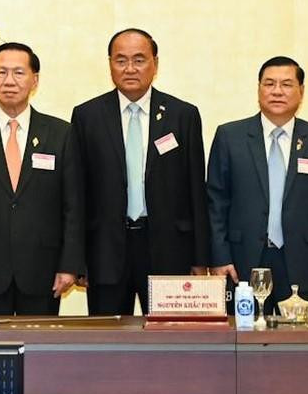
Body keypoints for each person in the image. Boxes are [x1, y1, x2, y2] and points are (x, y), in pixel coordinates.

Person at [66, 29, 209, 316]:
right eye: (121, 60)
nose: (130, 68)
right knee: (107, 345)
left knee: (169, 346)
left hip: (169, 250)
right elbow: (77, 193)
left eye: (139, 59)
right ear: (110, 64)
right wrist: (76, 260)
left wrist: (200, 257)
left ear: (155, 63)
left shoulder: (183, 115)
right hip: (105, 251)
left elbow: (196, 189)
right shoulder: (87, 116)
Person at [207, 57, 308, 316]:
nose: (277, 91)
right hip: (241, 261)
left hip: (301, 262)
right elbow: (216, 203)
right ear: (258, 89)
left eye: (286, 84)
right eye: (269, 83)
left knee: (296, 347)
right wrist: (219, 257)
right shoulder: (230, 136)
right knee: (242, 344)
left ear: (301, 91)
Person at [0, 43, 79, 315]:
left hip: (44, 269)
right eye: (1, 72)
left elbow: (73, 205)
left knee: (42, 353)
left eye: (19, 72)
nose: (9, 81)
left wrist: (69, 265)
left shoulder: (61, 133)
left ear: (35, 80)